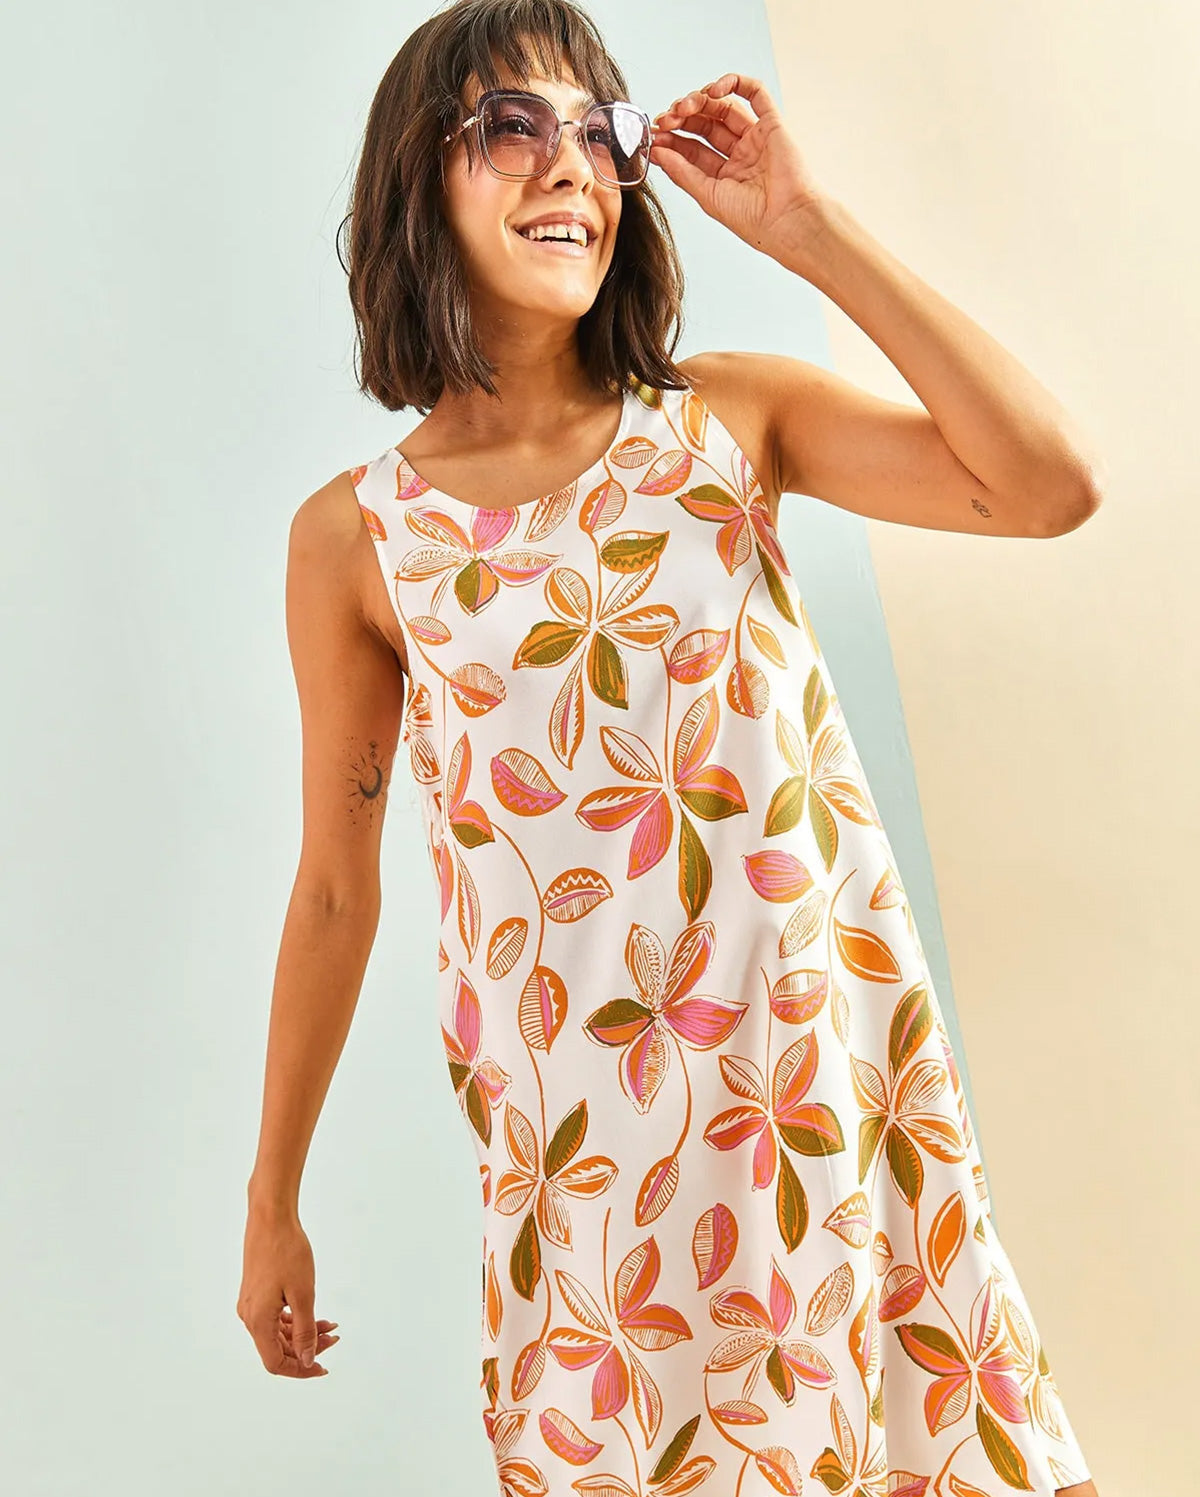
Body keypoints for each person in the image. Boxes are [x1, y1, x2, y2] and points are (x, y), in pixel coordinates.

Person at [237, 3, 1106, 1493]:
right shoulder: (357, 541)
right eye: (513, 126)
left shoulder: (731, 425)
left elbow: (1048, 486)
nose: (569, 164)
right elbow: (333, 887)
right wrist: (273, 1201)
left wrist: (811, 232)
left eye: (599, 133)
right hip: (594, 1163)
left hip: (812, 1105)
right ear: (413, 179)